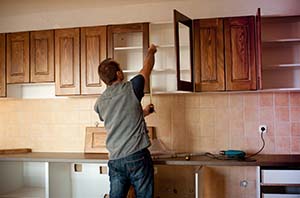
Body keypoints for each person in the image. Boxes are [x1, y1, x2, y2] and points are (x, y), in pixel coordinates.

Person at [94, 44, 157, 198]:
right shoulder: (132, 88)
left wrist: (144, 113)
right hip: (137, 157)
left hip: (115, 160)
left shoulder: (99, 103)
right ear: (119, 73)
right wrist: (151, 51)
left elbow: (119, 118)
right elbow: (146, 68)